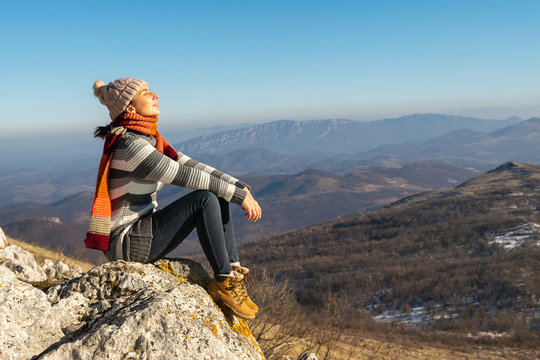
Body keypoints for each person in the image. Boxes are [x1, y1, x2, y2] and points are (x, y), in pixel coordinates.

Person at [85, 77, 262, 319]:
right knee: (205, 199)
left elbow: (191, 164)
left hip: (141, 230)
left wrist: (238, 187)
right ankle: (222, 281)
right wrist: (238, 196)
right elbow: (182, 174)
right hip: (127, 243)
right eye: (146, 93)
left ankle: (231, 273)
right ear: (129, 107)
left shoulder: (150, 139)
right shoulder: (131, 146)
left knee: (218, 195)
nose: (155, 95)